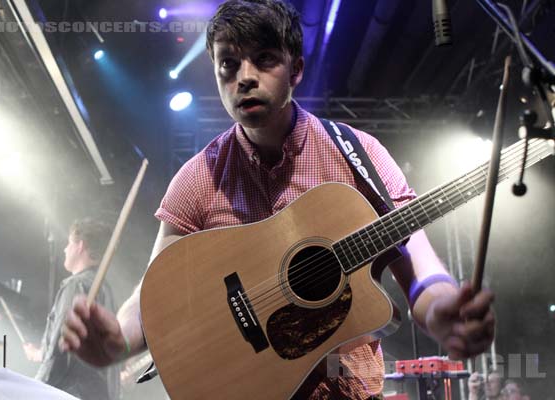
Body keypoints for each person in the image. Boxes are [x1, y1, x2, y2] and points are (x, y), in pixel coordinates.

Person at [59, 1, 496, 398]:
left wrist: (442, 309)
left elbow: (419, 266)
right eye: (228, 64)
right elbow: (160, 287)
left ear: (296, 69)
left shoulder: (359, 155)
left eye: (264, 59)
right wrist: (120, 337)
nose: (244, 76)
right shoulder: (197, 177)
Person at [24, 219, 120, 400]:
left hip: (72, 393)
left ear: (80, 246)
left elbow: (61, 349)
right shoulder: (104, 288)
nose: (65, 249)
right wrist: (39, 353)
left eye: (69, 243)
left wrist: (34, 390)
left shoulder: (75, 286)